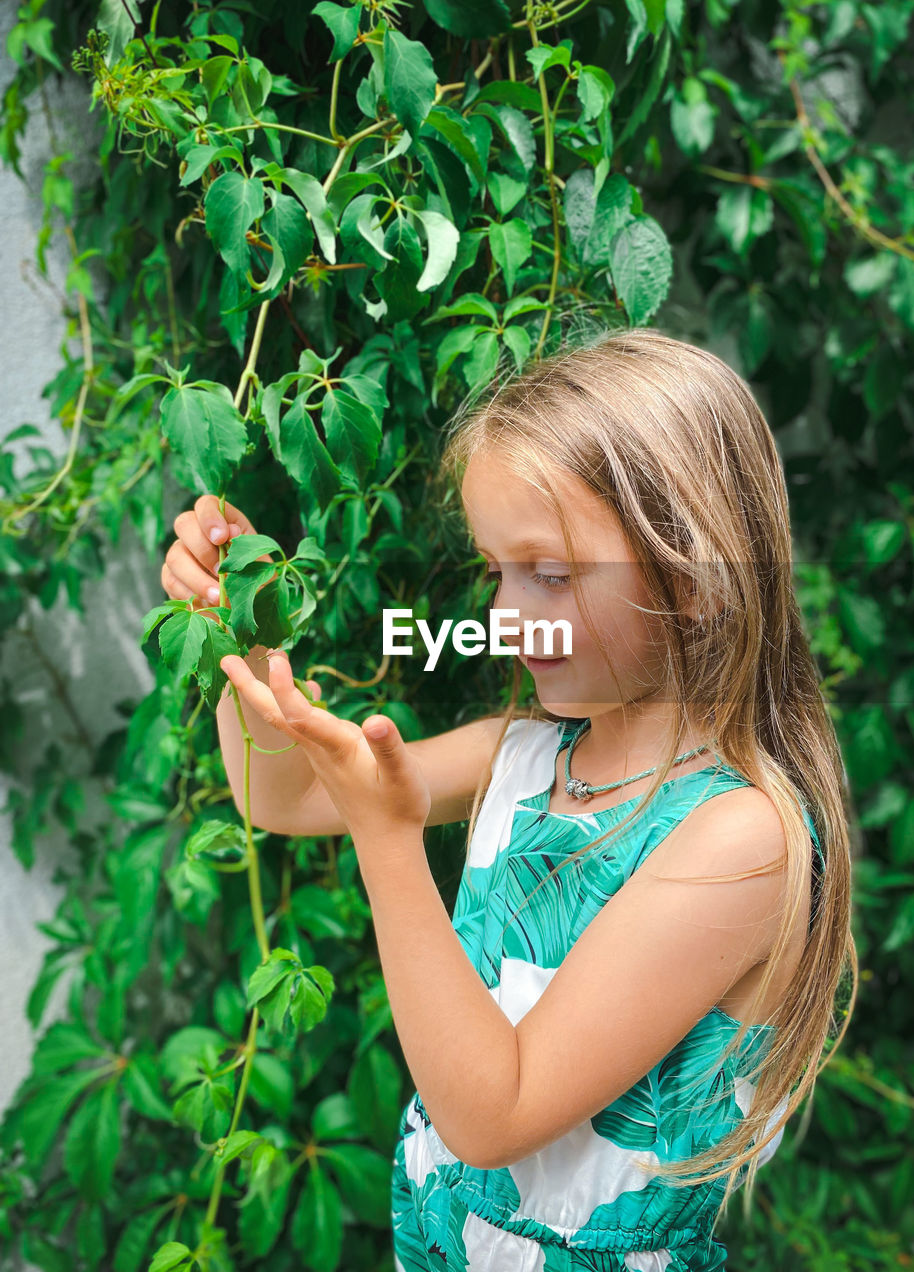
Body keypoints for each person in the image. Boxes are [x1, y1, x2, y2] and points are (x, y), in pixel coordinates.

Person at [161, 325, 857, 1271]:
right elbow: (276, 796)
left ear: (693, 577)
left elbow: (494, 1116)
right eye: (497, 570)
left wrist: (390, 844)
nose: (503, 615)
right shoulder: (525, 755)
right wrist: (233, 629)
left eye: (552, 574)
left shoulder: (740, 838)